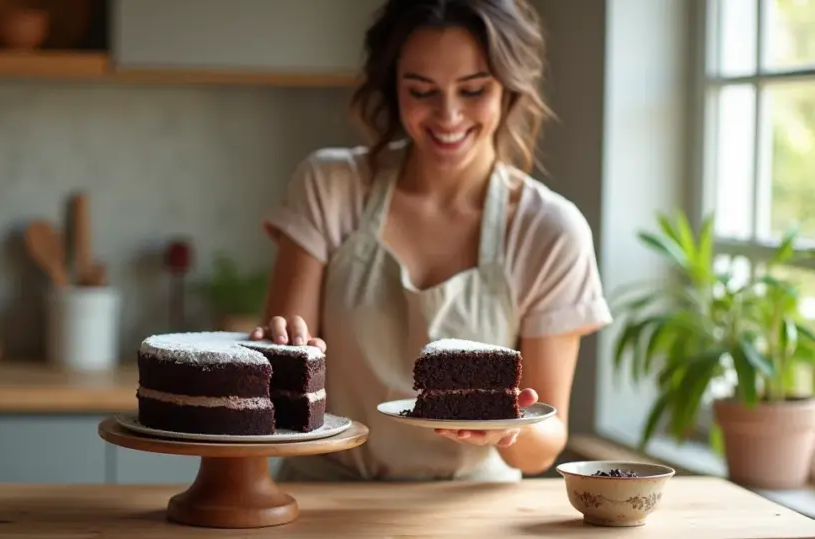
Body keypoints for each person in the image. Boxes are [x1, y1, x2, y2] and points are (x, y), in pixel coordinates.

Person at [252, 0, 612, 483]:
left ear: (510, 87)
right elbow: (285, 391)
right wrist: (274, 355)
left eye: (473, 89)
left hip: (471, 514)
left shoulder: (549, 230)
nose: (448, 116)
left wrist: (508, 430)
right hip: (329, 497)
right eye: (421, 90)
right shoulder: (330, 185)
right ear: (393, 85)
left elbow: (542, 449)